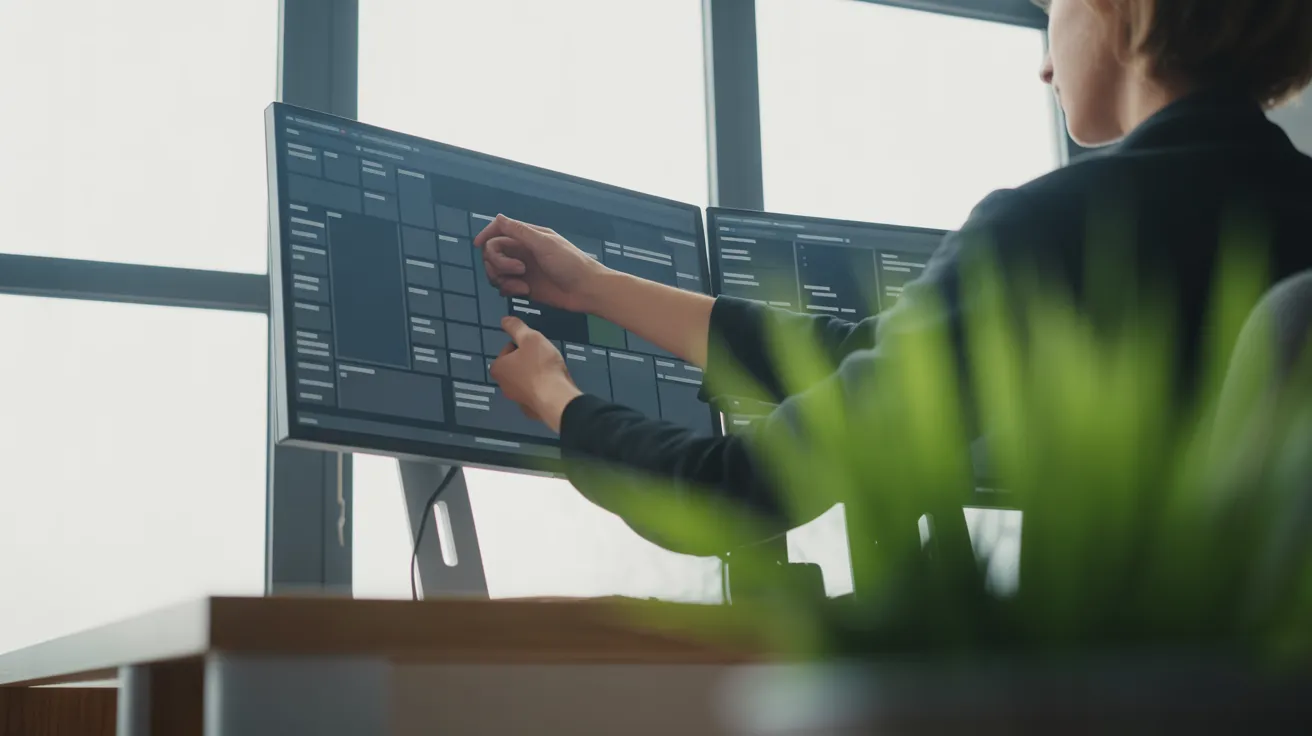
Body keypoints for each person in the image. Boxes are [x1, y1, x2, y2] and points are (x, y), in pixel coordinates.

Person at [475, 0, 1312, 540]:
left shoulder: (1061, 228)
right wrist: (589, 286)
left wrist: (557, 398)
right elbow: (861, 364)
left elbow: (733, 491)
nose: (1046, 62)